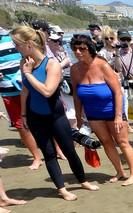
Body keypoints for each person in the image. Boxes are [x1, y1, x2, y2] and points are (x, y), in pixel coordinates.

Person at [11, 26, 99, 201]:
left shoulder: (51, 64)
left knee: (69, 150)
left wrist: (28, 74)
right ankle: (62, 189)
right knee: (49, 153)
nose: (15, 48)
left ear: (28, 44)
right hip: (35, 116)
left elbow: (47, 91)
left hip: (55, 116)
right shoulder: (24, 63)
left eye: (17, 44)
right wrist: (23, 115)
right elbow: (25, 91)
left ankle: (83, 180)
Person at [70, 35, 133, 186]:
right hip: (93, 113)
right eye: (75, 49)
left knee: (122, 142)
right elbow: (76, 95)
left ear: (90, 48)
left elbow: (117, 92)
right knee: (106, 142)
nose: (78, 52)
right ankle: (120, 172)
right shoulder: (75, 69)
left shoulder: (102, 65)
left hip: (112, 110)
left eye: (82, 48)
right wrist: (78, 116)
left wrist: (118, 116)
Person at [0, 26, 42, 169]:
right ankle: (37, 157)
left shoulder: (13, 36)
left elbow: (32, 54)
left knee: (43, 119)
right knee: (21, 125)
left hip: (29, 85)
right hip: (7, 90)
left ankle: (58, 151)